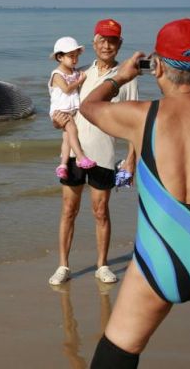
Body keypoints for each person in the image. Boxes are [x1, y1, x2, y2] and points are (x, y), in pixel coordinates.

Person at [81, 18, 190, 368]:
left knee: (117, 354)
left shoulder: (140, 116)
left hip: (159, 253)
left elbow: (89, 106)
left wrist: (120, 77)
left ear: (156, 65)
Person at [48, 19, 139, 286]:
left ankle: (102, 265)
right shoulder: (80, 75)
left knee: (100, 211)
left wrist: (131, 160)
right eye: (103, 40)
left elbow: (134, 123)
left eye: (113, 41)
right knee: (68, 209)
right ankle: (63, 266)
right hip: (74, 154)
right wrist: (57, 121)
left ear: (120, 44)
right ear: (94, 42)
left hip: (104, 155)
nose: (107, 46)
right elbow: (62, 108)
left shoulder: (126, 77)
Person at [48, 36, 96, 180]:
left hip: (70, 110)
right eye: (71, 56)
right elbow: (67, 89)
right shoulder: (57, 74)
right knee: (73, 131)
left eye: (76, 56)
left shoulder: (73, 72)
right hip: (61, 110)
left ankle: (63, 165)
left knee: (67, 139)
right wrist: (80, 81)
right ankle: (81, 157)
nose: (75, 60)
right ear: (60, 57)